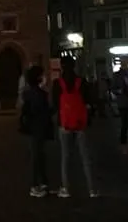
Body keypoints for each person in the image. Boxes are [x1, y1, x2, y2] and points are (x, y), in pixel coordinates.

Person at [53, 57, 97, 197]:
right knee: (85, 157)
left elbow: (54, 105)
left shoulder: (57, 83)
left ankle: (66, 188)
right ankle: (92, 189)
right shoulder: (81, 82)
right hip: (80, 123)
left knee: (66, 157)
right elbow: (90, 101)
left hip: (64, 124)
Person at [19, 65, 54, 198]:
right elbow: (40, 111)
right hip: (37, 128)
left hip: (35, 128)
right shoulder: (37, 94)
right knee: (37, 156)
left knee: (40, 156)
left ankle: (43, 183)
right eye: (42, 75)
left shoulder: (30, 93)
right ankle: (35, 185)